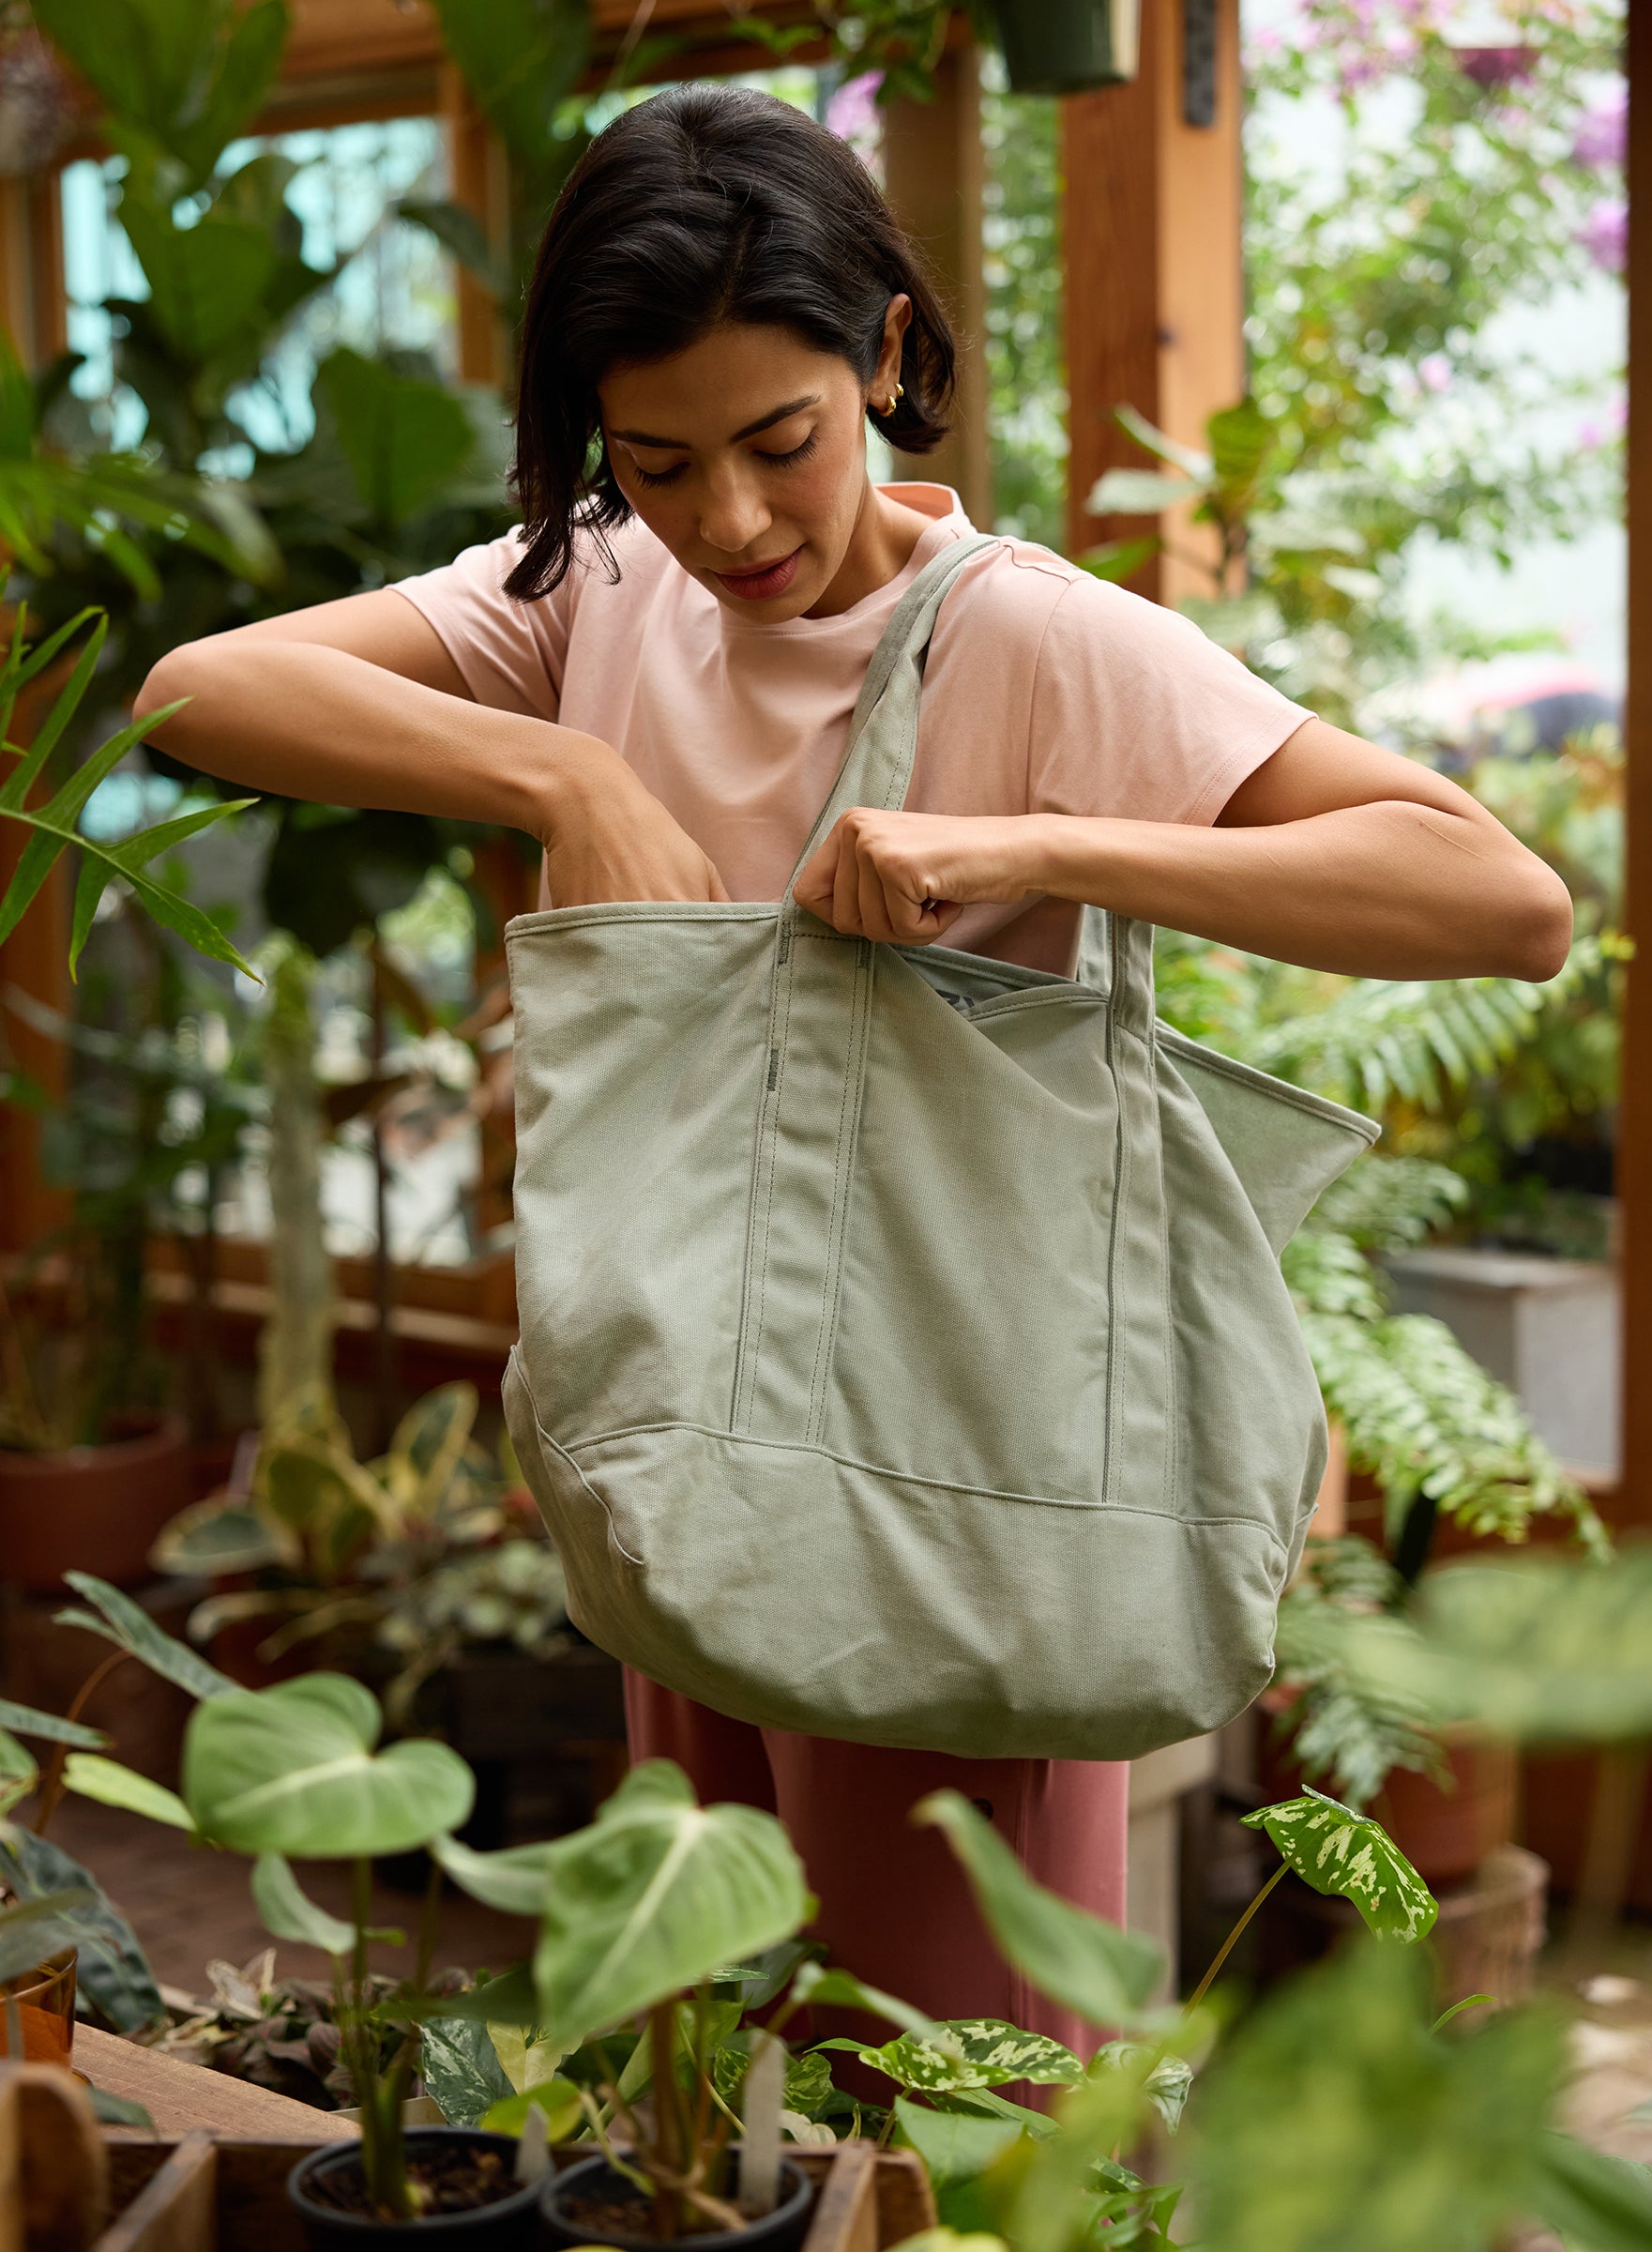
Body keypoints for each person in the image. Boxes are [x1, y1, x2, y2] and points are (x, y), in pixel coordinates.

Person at [138, 84, 1571, 2054]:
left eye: (781, 444)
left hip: (948, 1480)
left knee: (952, 2099)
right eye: (656, 461)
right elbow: (198, 690)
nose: (726, 523)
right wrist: (559, 772)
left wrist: (1039, 846)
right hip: (674, 1452)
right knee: (724, 2092)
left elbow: (1503, 900)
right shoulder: (598, 590)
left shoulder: (1035, 644)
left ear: (887, 355)